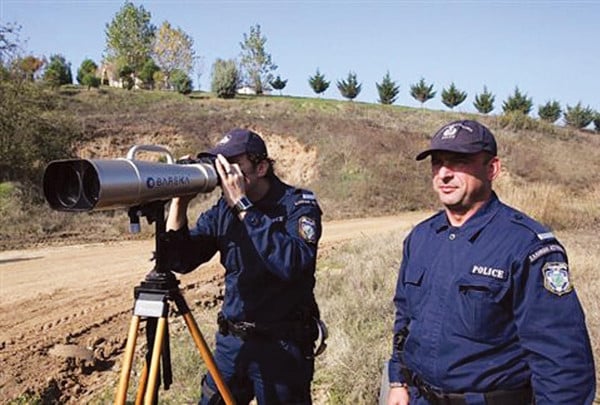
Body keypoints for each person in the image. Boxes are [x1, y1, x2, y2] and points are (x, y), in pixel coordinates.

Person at [387, 119, 596, 405]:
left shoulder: (527, 246)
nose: (444, 174)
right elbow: (405, 320)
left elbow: (562, 359)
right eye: (438, 162)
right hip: (420, 397)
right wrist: (399, 381)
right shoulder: (421, 237)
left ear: (492, 168)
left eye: (459, 161)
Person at [163, 128, 325, 404]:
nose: (225, 174)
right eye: (219, 165)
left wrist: (243, 206)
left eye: (233, 165)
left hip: (282, 348)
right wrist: (179, 203)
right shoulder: (224, 210)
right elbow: (181, 260)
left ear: (261, 167)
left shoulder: (298, 205)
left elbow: (293, 264)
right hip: (233, 345)